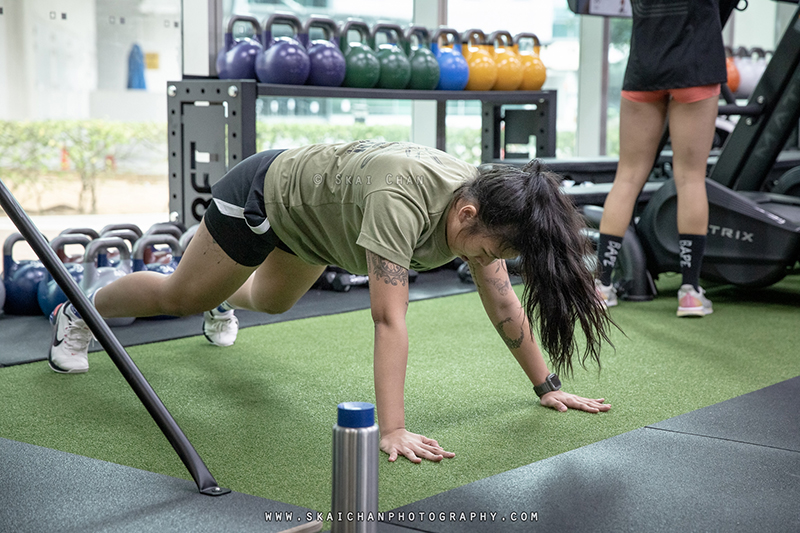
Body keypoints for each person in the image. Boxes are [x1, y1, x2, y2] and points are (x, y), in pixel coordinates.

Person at [49, 140, 614, 463]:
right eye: (491, 249)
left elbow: (504, 303)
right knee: (179, 296)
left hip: (316, 228)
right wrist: (391, 430)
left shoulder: (484, 207)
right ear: (466, 215)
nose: (489, 260)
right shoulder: (405, 199)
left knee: (269, 303)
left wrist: (549, 388)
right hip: (264, 199)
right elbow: (389, 319)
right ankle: (78, 307)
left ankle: (221, 298)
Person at [595, 0, 726, 317]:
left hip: (645, 68)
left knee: (626, 176)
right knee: (691, 177)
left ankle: (601, 288)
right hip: (696, 65)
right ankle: (690, 293)